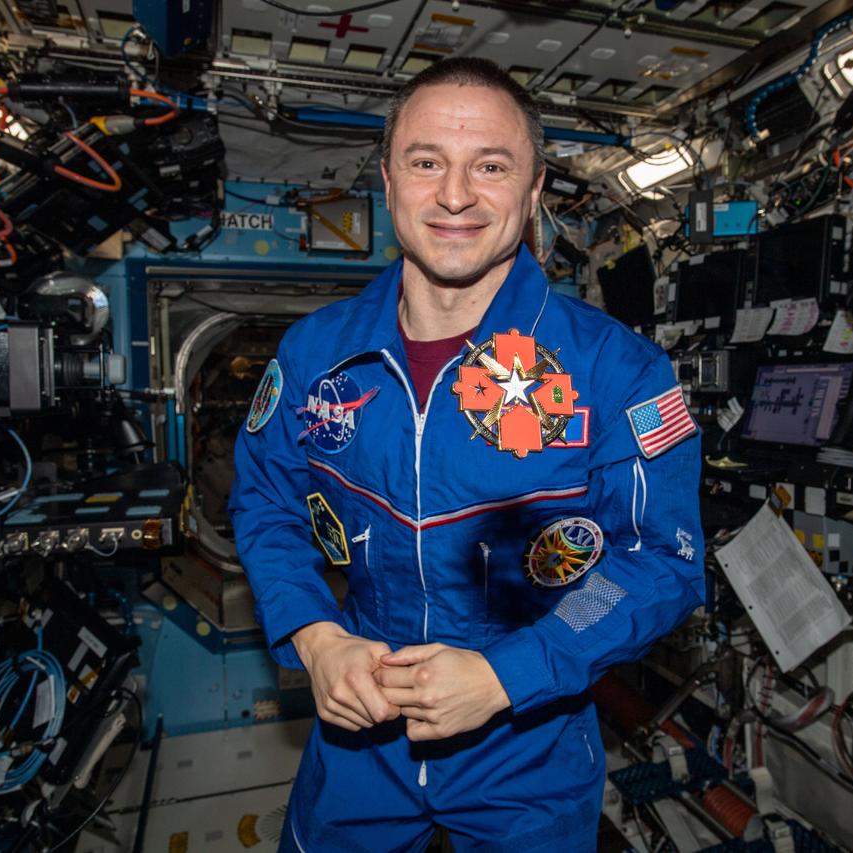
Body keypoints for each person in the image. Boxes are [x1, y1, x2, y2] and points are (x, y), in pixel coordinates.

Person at [229, 56, 704, 853]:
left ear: (534, 188)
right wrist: (316, 635)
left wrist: (507, 674)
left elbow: (661, 560)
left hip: (530, 747)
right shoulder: (316, 354)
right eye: (426, 163)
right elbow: (266, 501)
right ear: (388, 180)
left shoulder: (616, 370)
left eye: (491, 165)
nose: (454, 195)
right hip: (359, 740)